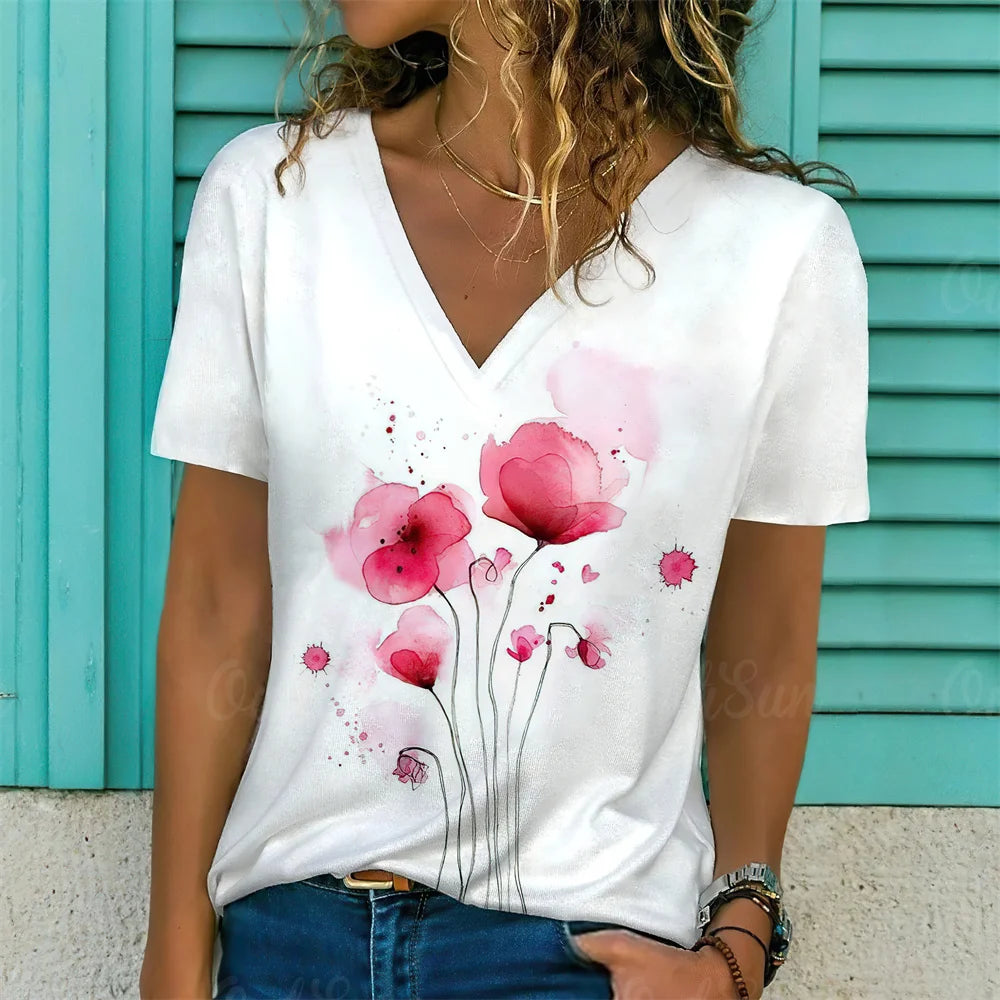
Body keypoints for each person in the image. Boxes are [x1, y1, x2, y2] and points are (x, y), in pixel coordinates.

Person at [139, 1, 870, 998]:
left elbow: (766, 637)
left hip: (580, 953)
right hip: (287, 942)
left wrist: (735, 952)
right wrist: (174, 958)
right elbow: (218, 604)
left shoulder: (775, 251)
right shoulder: (274, 198)